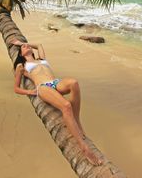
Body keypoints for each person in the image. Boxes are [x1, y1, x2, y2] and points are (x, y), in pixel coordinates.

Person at [11, 38, 103, 166]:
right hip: (43, 87)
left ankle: (77, 120)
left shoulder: (41, 59)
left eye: (27, 46)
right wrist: (30, 92)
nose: (27, 46)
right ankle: (84, 147)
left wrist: (21, 44)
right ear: (21, 54)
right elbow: (16, 88)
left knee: (74, 83)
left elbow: (39, 44)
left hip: (55, 82)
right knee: (66, 106)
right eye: (24, 47)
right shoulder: (23, 66)